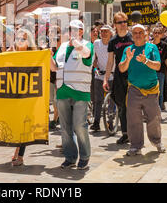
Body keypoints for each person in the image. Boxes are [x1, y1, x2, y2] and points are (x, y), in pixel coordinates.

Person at [51, 19, 93, 170]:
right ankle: (70, 157)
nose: (72, 32)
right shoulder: (62, 47)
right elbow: (55, 67)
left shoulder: (87, 45)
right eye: (70, 30)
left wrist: (75, 43)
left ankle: (85, 156)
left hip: (80, 92)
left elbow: (87, 55)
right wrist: (48, 56)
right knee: (65, 128)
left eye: (76, 30)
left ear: (82, 31)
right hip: (62, 91)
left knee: (79, 126)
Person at [119, 24, 166, 156]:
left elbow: (157, 66)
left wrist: (146, 61)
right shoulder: (128, 50)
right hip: (134, 89)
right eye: (135, 33)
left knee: (153, 118)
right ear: (132, 35)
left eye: (140, 32)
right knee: (133, 119)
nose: (138, 35)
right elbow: (122, 68)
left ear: (146, 34)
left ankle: (157, 141)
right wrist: (127, 59)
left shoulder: (152, 48)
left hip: (151, 90)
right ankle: (136, 146)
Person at [8, 28, 37, 166]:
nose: (20, 41)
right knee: (15, 124)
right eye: (18, 39)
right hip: (13, 94)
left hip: (27, 96)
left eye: (23, 39)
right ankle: (17, 150)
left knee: (23, 125)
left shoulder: (33, 56)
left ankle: (20, 155)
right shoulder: (11, 53)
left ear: (28, 41)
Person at [103, 12, 133, 144]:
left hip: (133, 75)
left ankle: (134, 132)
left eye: (125, 21)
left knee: (133, 105)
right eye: (120, 22)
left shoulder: (132, 37)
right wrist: (106, 78)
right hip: (119, 76)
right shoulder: (113, 41)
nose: (123, 24)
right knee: (121, 105)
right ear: (115, 25)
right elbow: (110, 61)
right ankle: (125, 133)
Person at [91, 25, 113, 132]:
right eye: (102, 31)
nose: (104, 33)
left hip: (111, 75)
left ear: (110, 33)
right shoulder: (96, 43)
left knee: (111, 100)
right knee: (97, 99)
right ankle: (96, 122)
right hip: (99, 74)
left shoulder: (113, 43)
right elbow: (94, 56)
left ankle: (111, 121)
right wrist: (94, 63)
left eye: (106, 31)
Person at [151, 27, 167, 111]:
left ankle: (158, 110)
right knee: (149, 92)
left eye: (158, 33)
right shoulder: (149, 45)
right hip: (150, 71)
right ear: (153, 34)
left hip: (161, 71)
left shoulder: (164, 45)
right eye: (155, 32)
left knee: (160, 92)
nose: (156, 34)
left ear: (162, 35)